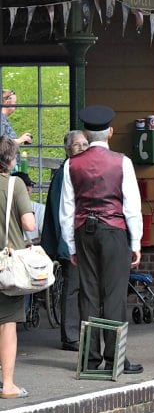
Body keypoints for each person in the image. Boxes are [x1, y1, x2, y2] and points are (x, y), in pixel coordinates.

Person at [59, 105, 143, 375]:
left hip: (84, 232)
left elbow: (67, 210)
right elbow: (132, 206)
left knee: (89, 296)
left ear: (86, 132)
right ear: (110, 132)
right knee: (115, 296)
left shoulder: (72, 164)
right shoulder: (122, 162)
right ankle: (116, 358)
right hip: (114, 232)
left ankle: (90, 359)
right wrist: (136, 243)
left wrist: (71, 245)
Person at [40, 130, 88, 351]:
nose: (82, 148)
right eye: (77, 145)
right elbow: (60, 212)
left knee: (83, 287)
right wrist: (64, 244)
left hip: (84, 238)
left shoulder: (78, 170)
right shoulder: (64, 174)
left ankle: (81, 332)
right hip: (71, 240)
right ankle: (70, 336)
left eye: (85, 144)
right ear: (68, 149)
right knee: (73, 287)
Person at [0, 137, 35, 398]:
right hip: (6, 264)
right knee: (7, 324)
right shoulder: (16, 184)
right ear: (11, 160)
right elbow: (29, 225)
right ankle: (8, 384)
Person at [12, 171, 43, 240]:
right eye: (23, 185)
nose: (28, 189)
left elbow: (46, 236)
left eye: (30, 185)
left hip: (32, 248)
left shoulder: (40, 209)